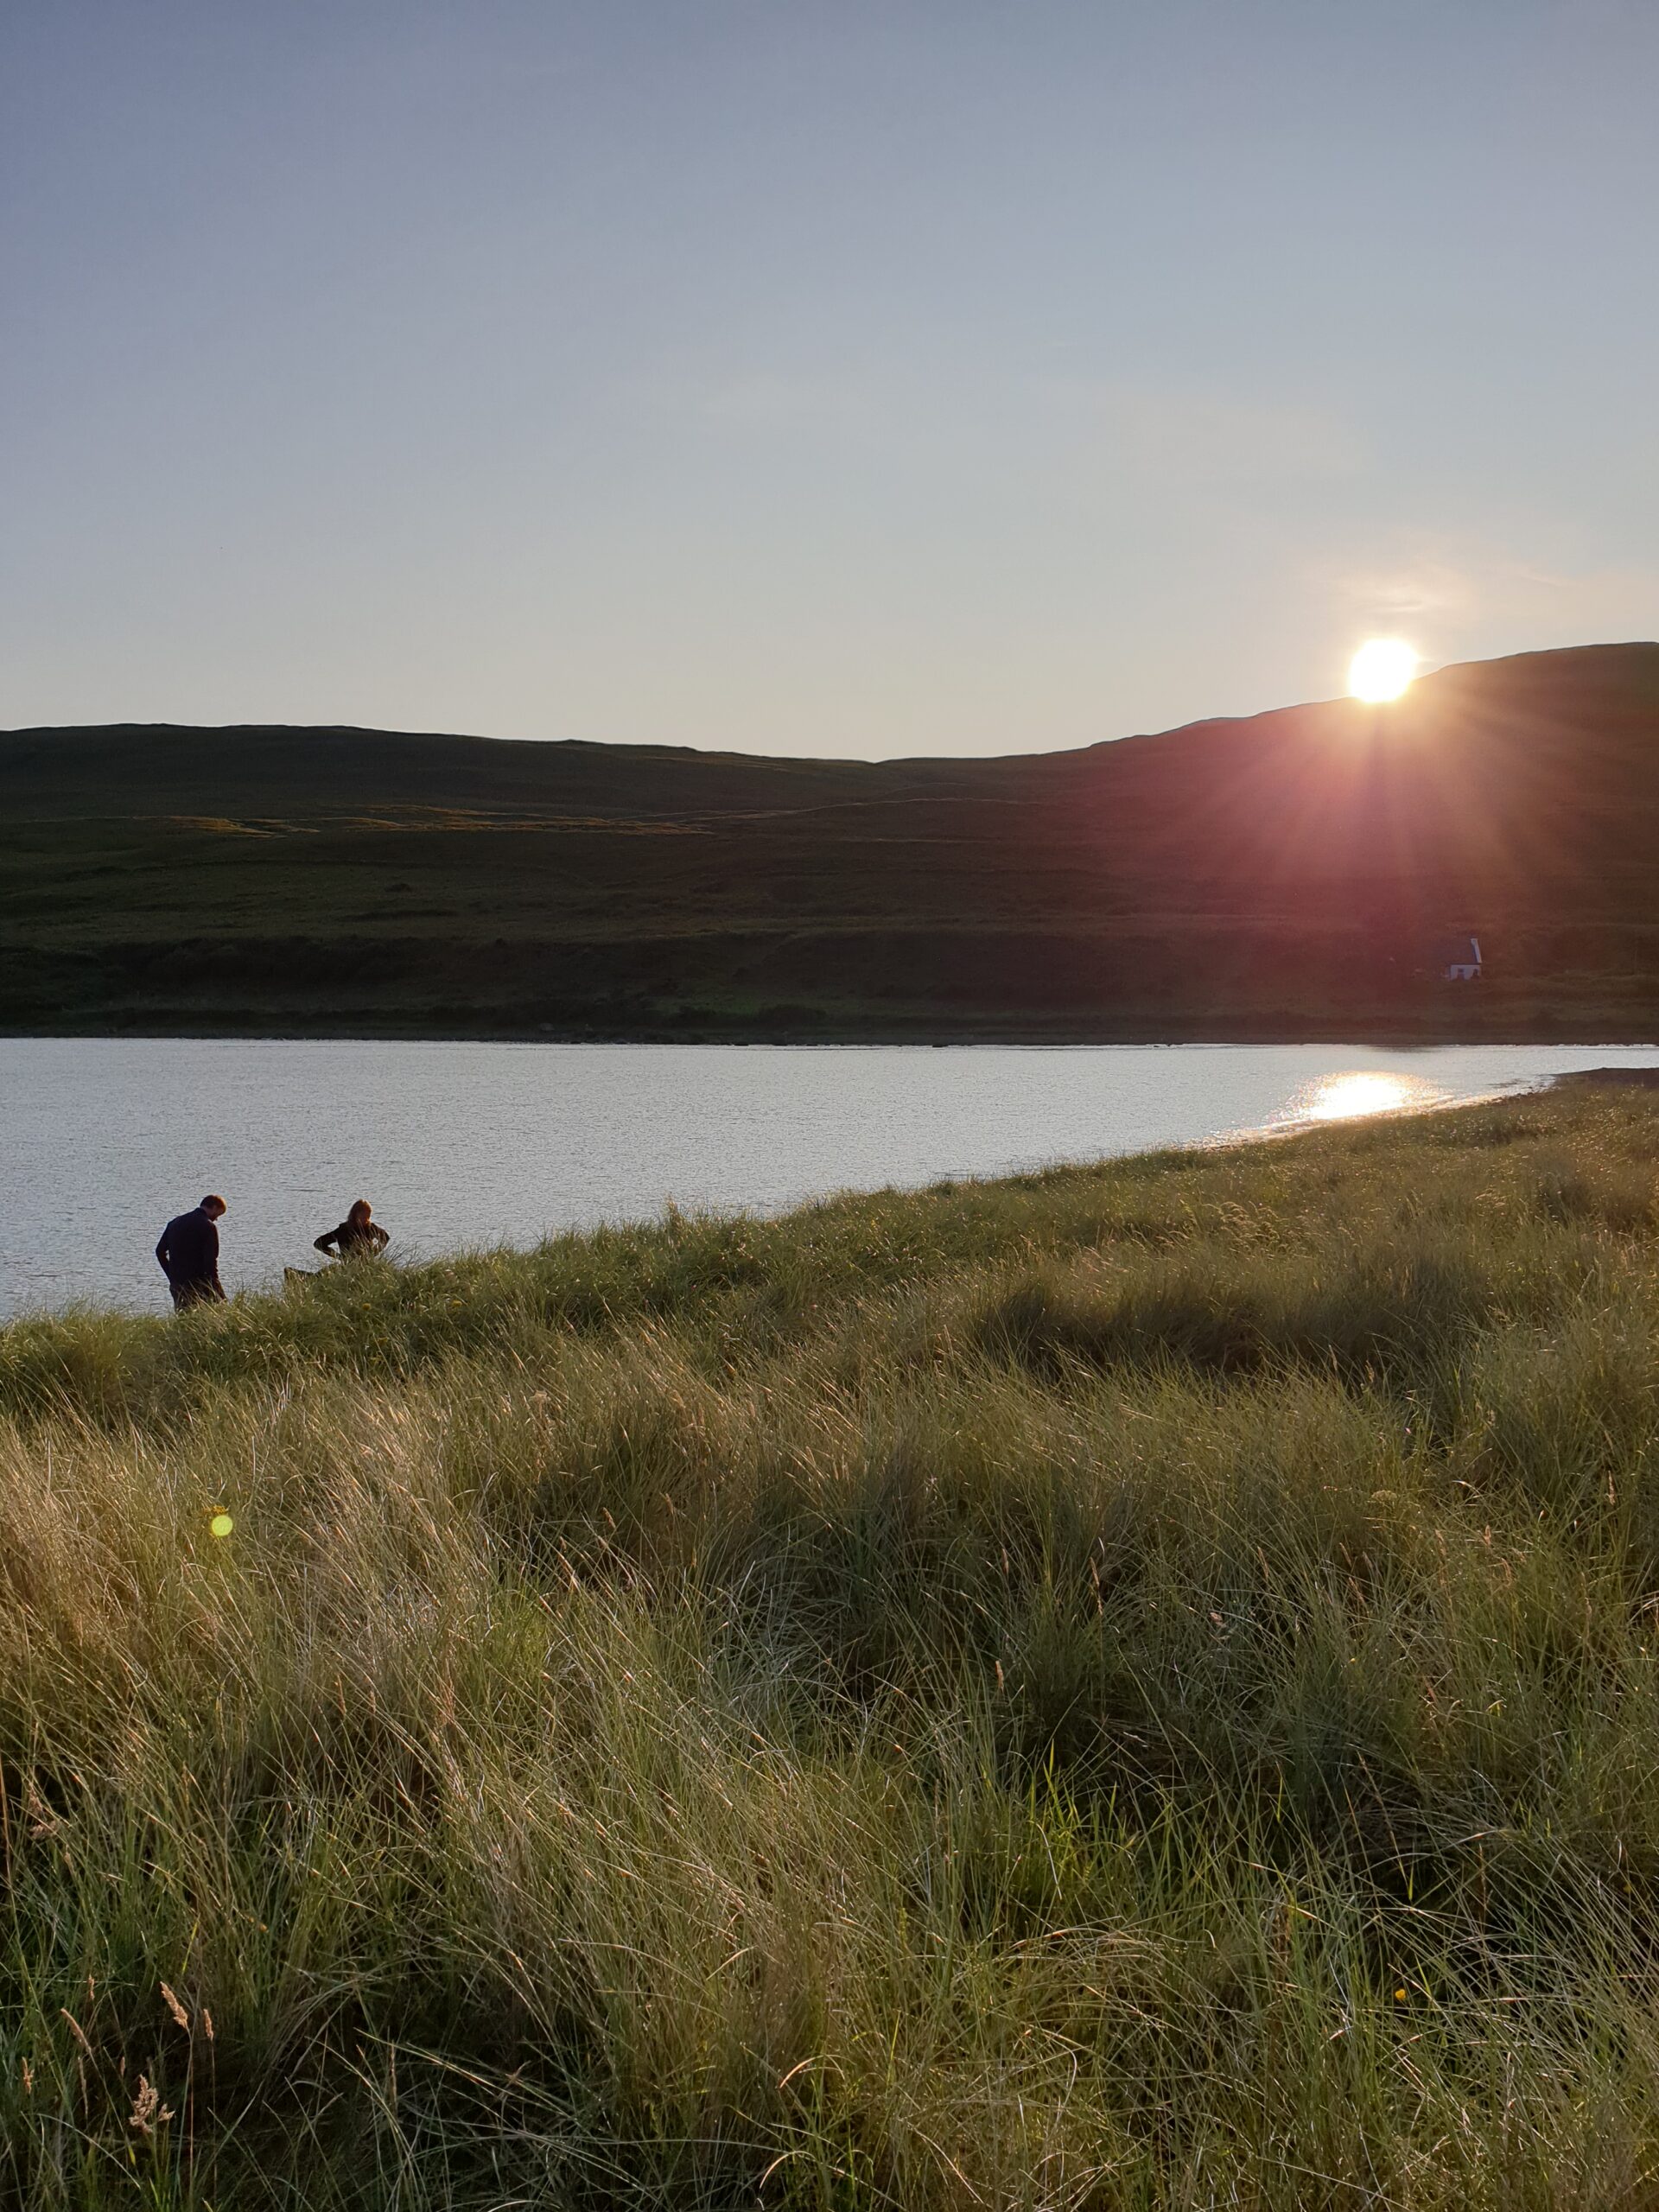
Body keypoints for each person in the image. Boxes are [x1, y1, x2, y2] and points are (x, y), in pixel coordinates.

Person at [156, 1195, 227, 1309]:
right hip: (199, 1284)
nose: (216, 1218)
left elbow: (159, 1252)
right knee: (206, 1321)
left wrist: (171, 1275)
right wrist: (217, 1289)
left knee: (183, 1319)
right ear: (214, 1207)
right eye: (218, 1214)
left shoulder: (174, 1223)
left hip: (177, 1284)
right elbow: (210, 1262)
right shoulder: (208, 1227)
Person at [314, 1198, 390, 1261]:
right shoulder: (343, 1230)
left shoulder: (370, 1228)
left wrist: (372, 1253)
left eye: (368, 1217)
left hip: (366, 1265)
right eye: (363, 1217)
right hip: (348, 1265)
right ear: (355, 1215)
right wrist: (338, 1256)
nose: (366, 1220)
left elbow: (385, 1238)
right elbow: (318, 1243)